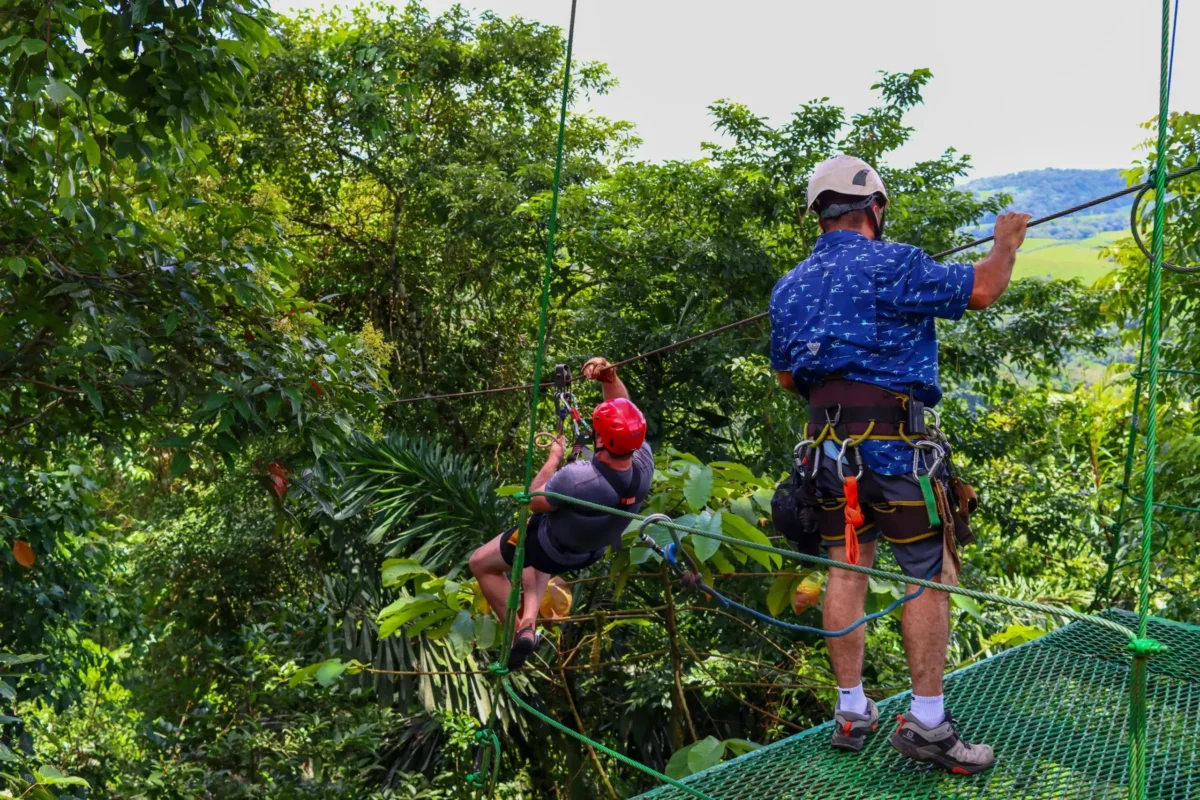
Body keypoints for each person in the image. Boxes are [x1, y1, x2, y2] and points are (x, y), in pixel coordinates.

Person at [769, 154, 1031, 775]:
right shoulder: (895, 261)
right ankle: (930, 724)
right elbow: (985, 289)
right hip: (895, 450)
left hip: (827, 457)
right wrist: (1005, 243)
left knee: (847, 570)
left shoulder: (789, 285)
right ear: (874, 208)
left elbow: (788, 377)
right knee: (928, 573)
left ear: (820, 213)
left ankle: (853, 708)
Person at [468, 357, 653, 671]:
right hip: (591, 550)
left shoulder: (578, 479)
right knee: (538, 540)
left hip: (551, 548)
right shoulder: (644, 462)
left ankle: (518, 632)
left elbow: (533, 500)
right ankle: (528, 623)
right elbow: (623, 405)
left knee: (483, 562)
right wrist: (609, 377)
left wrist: (553, 459)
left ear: (601, 440)